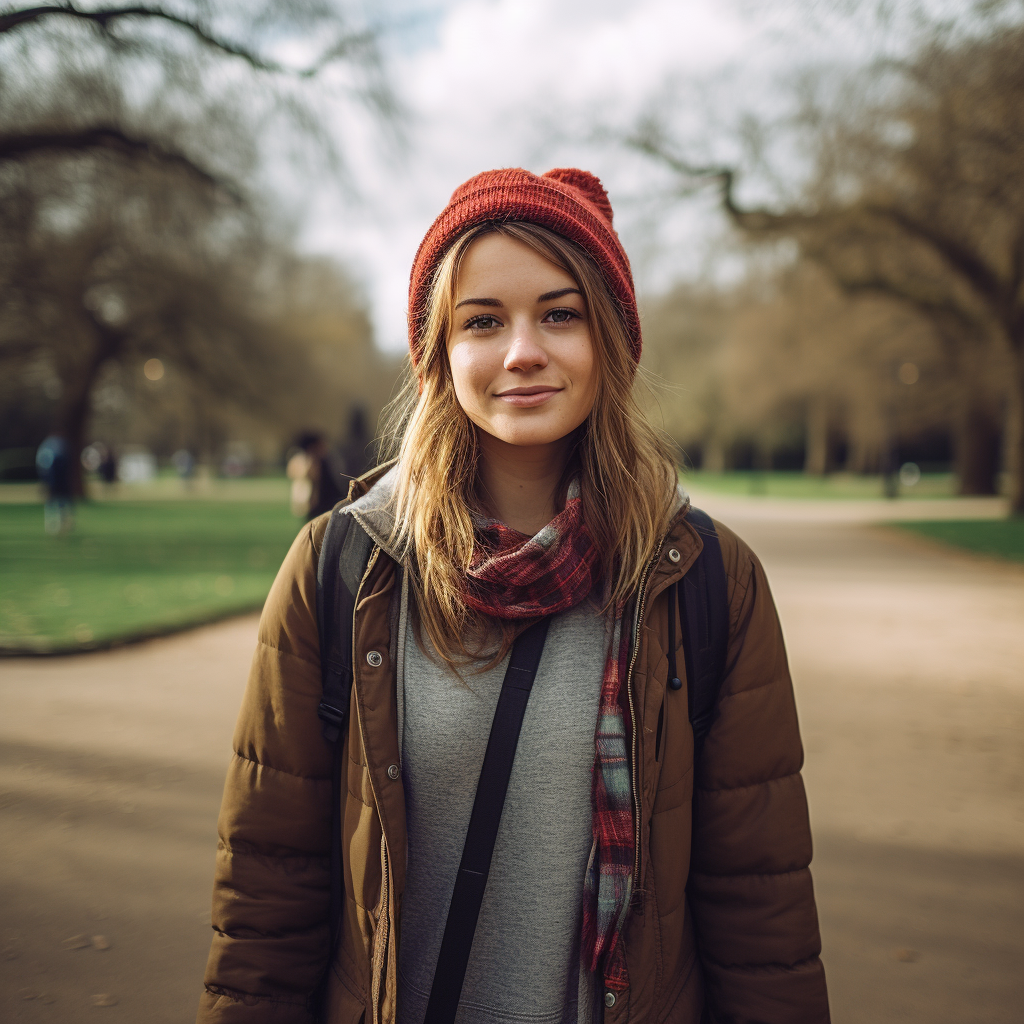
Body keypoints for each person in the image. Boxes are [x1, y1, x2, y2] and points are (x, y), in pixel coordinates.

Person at [198, 169, 830, 1024]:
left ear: (609, 338)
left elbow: (761, 914)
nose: (521, 350)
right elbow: (268, 896)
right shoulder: (343, 567)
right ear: (438, 353)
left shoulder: (705, 579)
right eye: (482, 321)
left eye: (559, 314)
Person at [36, 434, 74, 534]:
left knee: (57, 503)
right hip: (56, 484)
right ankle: (56, 524)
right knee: (57, 503)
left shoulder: (49, 451)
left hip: (56, 484)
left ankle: (57, 524)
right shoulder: (56, 453)